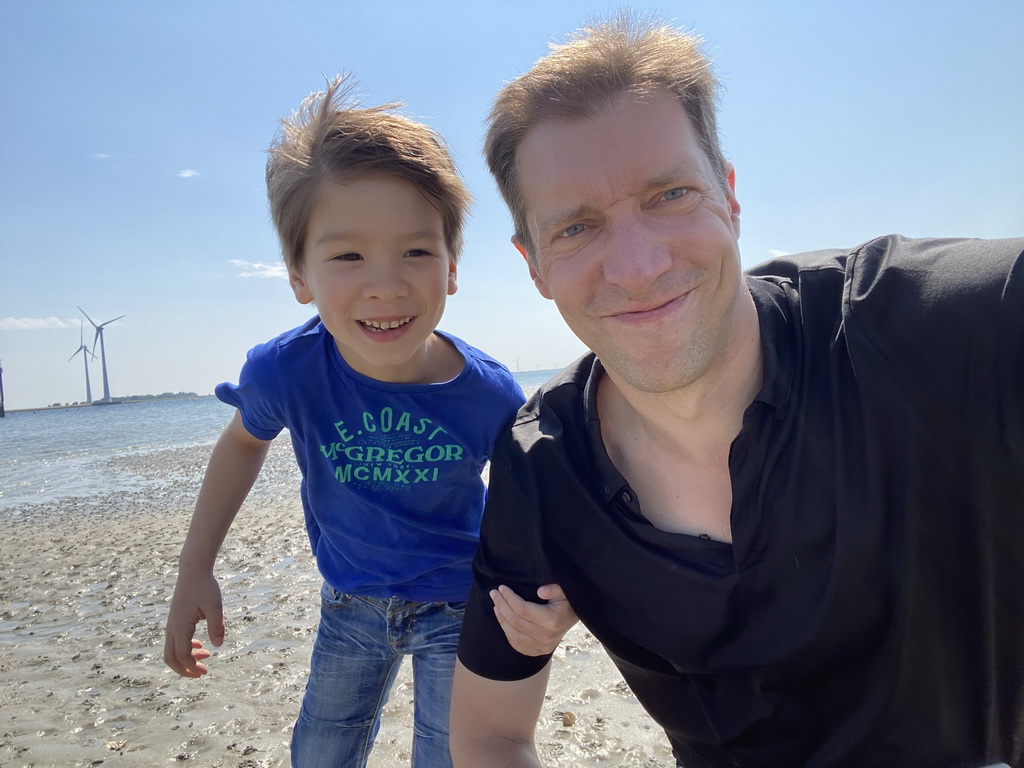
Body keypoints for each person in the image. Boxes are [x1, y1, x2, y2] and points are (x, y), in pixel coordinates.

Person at [449, 15, 1024, 768]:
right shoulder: (542, 466)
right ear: (534, 265)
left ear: (729, 195)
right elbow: (490, 733)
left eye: (669, 194)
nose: (637, 264)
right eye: (577, 228)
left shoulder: (932, 328)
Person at [163, 75, 574, 768]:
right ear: (300, 275)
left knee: (453, 755)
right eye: (348, 255)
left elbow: (538, 510)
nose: (385, 284)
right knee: (321, 752)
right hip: (348, 603)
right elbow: (241, 444)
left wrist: (561, 601)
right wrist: (194, 570)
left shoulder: (490, 394)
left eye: (417, 251)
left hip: (458, 606)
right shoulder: (286, 372)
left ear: (451, 269)